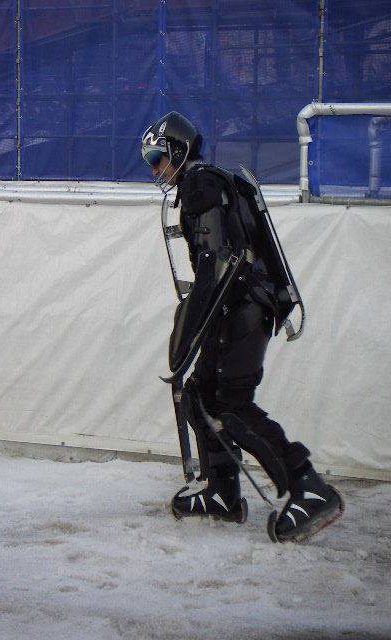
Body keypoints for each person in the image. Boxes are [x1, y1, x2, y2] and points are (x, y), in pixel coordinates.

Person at [140, 111, 344, 543]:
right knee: (201, 395)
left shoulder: (201, 184)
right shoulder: (206, 184)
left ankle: (308, 488)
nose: (155, 168)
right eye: (151, 160)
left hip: (243, 307)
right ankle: (223, 493)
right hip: (235, 307)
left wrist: (186, 341)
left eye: (158, 157)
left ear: (178, 150)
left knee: (231, 403)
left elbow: (216, 264)